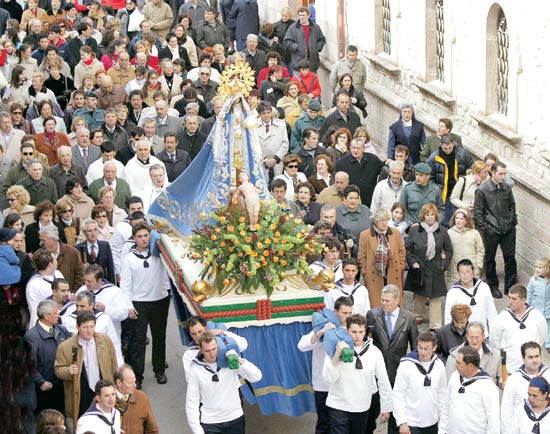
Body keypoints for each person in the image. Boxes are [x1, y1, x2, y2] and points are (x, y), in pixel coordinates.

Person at [120, 222, 170, 389]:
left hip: (159, 300)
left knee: (159, 337)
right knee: (138, 340)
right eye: (139, 236)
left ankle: (159, 369)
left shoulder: (159, 254)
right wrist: (128, 306)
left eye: (146, 235)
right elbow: (125, 285)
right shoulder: (129, 259)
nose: (143, 239)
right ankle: (137, 376)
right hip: (139, 303)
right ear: (134, 238)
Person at [323, 314, 392, 434]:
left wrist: (386, 407)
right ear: (347, 330)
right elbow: (329, 379)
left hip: (362, 406)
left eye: (361, 332)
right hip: (338, 405)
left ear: (365, 331)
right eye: (354, 332)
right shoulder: (335, 347)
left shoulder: (374, 352)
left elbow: (383, 380)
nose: (357, 336)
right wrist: (337, 355)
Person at [186, 331, 262, 434]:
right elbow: (192, 402)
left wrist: (239, 360)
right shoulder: (195, 370)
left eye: (214, 349)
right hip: (210, 422)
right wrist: (197, 431)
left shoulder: (229, 361)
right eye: (207, 351)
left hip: (235, 418)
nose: (212, 354)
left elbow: (257, 376)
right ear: (201, 350)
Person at [367, 284, 418, 434]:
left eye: (388, 301)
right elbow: (367, 341)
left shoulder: (409, 318)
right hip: (377, 370)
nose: (384, 303)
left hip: (398, 371)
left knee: (397, 414)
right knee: (372, 411)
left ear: (397, 300)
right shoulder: (373, 314)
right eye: (382, 300)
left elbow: (415, 346)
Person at [298, 296, 353, 434]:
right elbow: (302, 346)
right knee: (324, 423)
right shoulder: (324, 326)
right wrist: (321, 332)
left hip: (345, 384)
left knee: (343, 424)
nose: (347, 316)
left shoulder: (353, 330)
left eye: (350, 313)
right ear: (335, 311)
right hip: (323, 386)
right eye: (344, 313)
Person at [54, 310, 118, 421]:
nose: (89, 331)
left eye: (91, 327)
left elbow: (113, 364)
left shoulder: (105, 340)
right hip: (81, 393)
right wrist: (68, 371)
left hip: (103, 390)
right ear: (77, 327)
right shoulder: (65, 346)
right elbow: (58, 369)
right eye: (85, 327)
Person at [473, 161, 518, 298]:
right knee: (490, 259)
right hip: (492, 230)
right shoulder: (482, 190)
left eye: (504, 173)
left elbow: (512, 206)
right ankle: (493, 286)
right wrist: (486, 228)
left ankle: (510, 287)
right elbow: (478, 211)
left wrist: (512, 222)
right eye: (500, 173)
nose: (503, 177)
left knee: (510, 258)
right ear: (492, 172)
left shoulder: (506, 188)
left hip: (508, 229)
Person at [405, 204, 452, 330]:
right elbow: (408, 249)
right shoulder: (415, 230)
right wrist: (412, 262)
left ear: (436, 216)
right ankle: (417, 315)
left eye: (432, 214)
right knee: (419, 293)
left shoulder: (442, 231)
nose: (430, 217)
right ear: (423, 216)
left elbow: (448, 251)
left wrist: (443, 265)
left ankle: (435, 323)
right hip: (419, 266)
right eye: (427, 214)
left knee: (435, 296)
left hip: (436, 267)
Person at [392, 331, 447, 434]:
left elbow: (442, 394)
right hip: (411, 423)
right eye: (420, 347)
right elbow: (398, 394)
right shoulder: (406, 365)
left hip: (432, 422)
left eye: (426, 348)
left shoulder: (439, 366)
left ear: (434, 348)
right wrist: (402, 422)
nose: (422, 352)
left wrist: (443, 421)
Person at [24, 299, 71, 413]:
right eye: (55, 313)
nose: (58, 315)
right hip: (45, 389)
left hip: (63, 385)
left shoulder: (62, 330)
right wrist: (41, 382)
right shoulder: (32, 336)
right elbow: (28, 364)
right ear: (46, 316)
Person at [492, 284, 548, 373]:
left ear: (523, 300)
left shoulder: (537, 317)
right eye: (509, 297)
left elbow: (541, 337)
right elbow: (495, 343)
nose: (510, 301)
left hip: (532, 370)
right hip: (509, 370)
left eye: (514, 299)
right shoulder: (501, 318)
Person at [445, 346, 500, 434]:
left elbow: (493, 420)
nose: (455, 365)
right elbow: (446, 406)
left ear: (470, 365)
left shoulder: (487, 385)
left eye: (459, 363)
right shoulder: (454, 377)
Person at [358, 209, 406, 309]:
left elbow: (402, 251)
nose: (384, 223)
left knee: (393, 303)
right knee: (376, 305)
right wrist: (365, 272)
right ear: (375, 221)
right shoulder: (365, 234)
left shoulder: (395, 232)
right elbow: (362, 257)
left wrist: (400, 266)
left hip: (392, 272)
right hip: (374, 274)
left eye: (386, 220)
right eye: (381, 221)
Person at [501, 341, 550, 434]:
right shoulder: (513, 379)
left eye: (537, 356)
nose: (535, 360)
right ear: (523, 358)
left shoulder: (548, 375)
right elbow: (506, 411)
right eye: (530, 357)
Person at [426, 133, 474, 226]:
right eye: (445, 148)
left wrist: (467, 176)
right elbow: (429, 177)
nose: (447, 151)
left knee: (462, 218)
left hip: (460, 190)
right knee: (446, 219)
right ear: (440, 144)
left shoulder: (462, 153)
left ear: (454, 143)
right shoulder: (434, 157)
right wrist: (435, 190)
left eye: (450, 148)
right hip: (444, 192)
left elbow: (472, 166)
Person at [444, 259, 497, 334]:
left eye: (468, 271)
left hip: (482, 335)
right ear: (458, 273)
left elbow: (491, 313)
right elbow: (448, 317)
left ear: (473, 272)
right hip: (462, 336)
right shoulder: (453, 292)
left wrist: (494, 334)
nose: (465, 275)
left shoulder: (484, 288)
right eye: (462, 272)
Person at [334, 138, 384, 207]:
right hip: (351, 201)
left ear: (363, 149)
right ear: (350, 148)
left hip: (370, 200)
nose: (355, 150)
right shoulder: (341, 163)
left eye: (358, 148)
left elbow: (383, 170)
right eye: (353, 148)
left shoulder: (373, 160)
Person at [445, 208, 485, 288]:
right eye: (457, 218)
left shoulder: (474, 233)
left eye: (461, 218)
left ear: (466, 221)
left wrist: (478, 265)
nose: (458, 220)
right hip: (454, 271)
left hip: (471, 270)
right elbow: (444, 250)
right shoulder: (448, 233)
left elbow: (480, 250)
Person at [114, 364, 159, 434]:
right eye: (130, 383)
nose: (135, 385)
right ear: (119, 383)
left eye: (134, 381)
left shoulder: (142, 398)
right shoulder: (103, 400)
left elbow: (152, 428)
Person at [25, 248, 64, 327]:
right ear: (50, 264)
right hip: (45, 325)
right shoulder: (33, 285)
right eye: (55, 260)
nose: (57, 261)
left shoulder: (58, 274)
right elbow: (35, 312)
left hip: (62, 322)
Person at [40, 225, 84, 291]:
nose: (40, 243)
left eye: (43, 240)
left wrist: (73, 294)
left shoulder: (72, 252)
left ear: (53, 239)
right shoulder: (38, 255)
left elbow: (80, 275)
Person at [283, 6, 326, 74]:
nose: (301, 17)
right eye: (300, 15)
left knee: (312, 84)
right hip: (298, 63)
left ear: (308, 16)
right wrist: (296, 47)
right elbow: (286, 41)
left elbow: (322, 39)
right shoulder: (292, 28)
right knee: (299, 84)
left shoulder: (316, 27)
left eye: (303, 15)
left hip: (312, 64)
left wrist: (317, 48)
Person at [255, 101, 289, 182]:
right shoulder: (254, 126)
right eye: (263, 113)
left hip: (277, 161)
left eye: (268, 113)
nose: (266, 116)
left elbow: (285, 144)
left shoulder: (281, 125)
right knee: (263, 183)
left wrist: (275, 159)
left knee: (277, 184)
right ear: (260, 114)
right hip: (262, 161)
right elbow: (254, 145)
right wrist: (264, 159)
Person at [527, 257, 550, 353]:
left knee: (549, 328)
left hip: (548, 310)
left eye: (540, 267)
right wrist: (527, 306)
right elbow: (529, 294)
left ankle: (548, 344)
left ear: (547, 269)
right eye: (536, 267)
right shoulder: (533, 280)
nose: (537, 269)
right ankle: (534, 344)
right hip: (536, 310)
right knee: (535, 328)